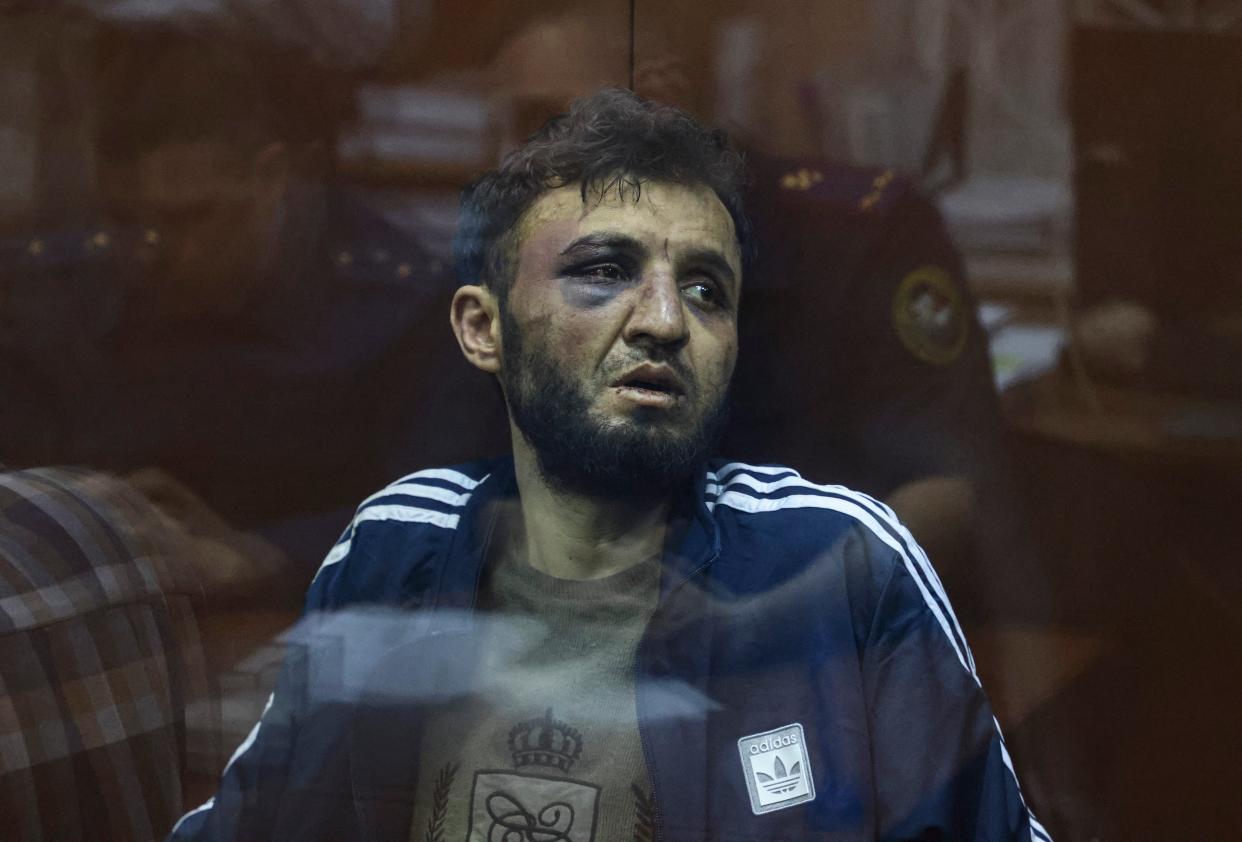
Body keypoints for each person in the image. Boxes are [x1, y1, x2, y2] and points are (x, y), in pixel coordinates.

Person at [170, 89, 1049, 842]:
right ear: (483, 329)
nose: (665, 319)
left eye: (707, 289)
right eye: (602, 272)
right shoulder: (400, 548)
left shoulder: (839, 562)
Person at [0, 28, 462, 571]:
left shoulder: (402, 310)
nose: (152, 252)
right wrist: (80, 506)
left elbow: (452, 516)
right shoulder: (61, 292)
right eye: (127, 220)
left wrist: (255, 556)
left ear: (271, 178)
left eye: (190, 218)